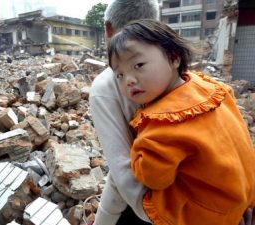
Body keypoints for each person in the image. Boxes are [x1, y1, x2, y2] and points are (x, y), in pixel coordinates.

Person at [107, 19, 255, 225]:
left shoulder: (162, 122)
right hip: (241, 195)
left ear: (174, 57)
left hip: (203, 214)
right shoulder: (207, 87)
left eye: (138, 65)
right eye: (119, 75)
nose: (128, 80)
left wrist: (137, 151)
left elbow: (154, 178)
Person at [89, 0, 159, 224]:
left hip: (154, 209)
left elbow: (125, 174)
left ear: (108, 29)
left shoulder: (106, 86)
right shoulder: (183, 76)